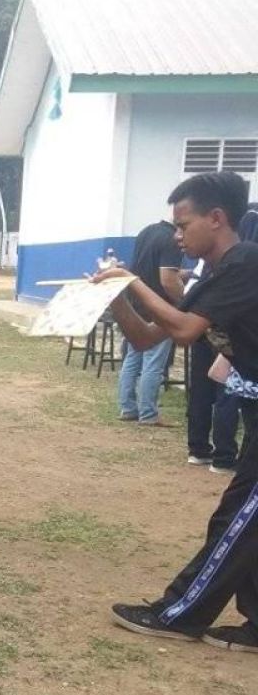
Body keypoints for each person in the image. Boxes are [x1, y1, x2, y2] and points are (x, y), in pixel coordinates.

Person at [96, 172, 258, 652]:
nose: (177, 235)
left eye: (183, 224)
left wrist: (131, 280)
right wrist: (119, 298)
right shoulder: (216, 274)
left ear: (217, 218)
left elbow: (185, 330)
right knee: (247, 520)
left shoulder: (246, 262)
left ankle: (179, 613)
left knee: (236, 518)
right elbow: (149, 336)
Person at [185, 259, 253, 473]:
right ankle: (223, 456)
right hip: (228, 331)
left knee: (202, 389)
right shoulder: (240, 264)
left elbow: (186, 293)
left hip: (202, 328)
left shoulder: (207, 264)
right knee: (228, 391)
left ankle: (198, 449)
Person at [116, 220, 183, 426]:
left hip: (137, 303)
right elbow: (167, 280)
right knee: (153, 363)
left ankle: (127, 408)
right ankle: (148, 414)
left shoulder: (147, 231)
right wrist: (185, 302)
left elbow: (148, 268)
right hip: (159, 308)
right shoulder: (173, 239)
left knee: (133, 358)